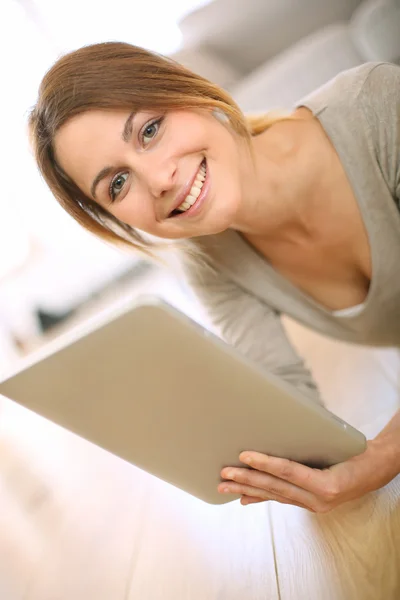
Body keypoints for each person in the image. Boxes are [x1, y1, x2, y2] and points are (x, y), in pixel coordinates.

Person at [28, 41, 400, 513]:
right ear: (121, 223)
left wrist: (387, 452)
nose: (158, 179)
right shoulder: (212, 263)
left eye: (149, 130)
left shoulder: (378, 105)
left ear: (188, 89)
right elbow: (291, 405)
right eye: (117, 184)